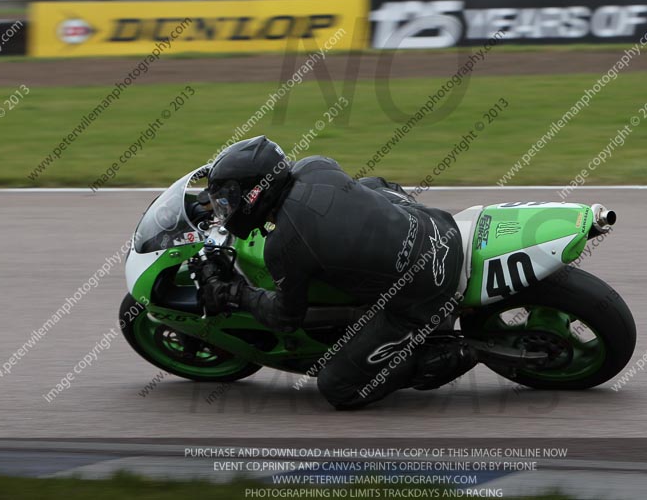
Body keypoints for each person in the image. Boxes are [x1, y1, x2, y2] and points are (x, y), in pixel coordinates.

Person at [197, 136, 476, 410]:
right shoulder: (315, 166)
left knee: (337, 387)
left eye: (229, 199)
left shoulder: (283, 246)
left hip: (426, 291)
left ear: (254, 194)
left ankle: (452, 355)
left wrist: (236, 293)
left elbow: (285, 318)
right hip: (435, 224)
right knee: (368, 185)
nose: (226, 208)